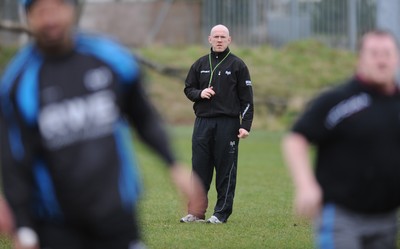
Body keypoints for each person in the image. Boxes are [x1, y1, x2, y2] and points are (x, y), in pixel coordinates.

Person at [0, 0, 205, 248]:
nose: (50, 19)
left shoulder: (109, 58)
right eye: (41, 12)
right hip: (57, 224)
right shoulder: (18, 83)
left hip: (116, 213)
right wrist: (24, 227)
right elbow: (15, 162)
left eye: (56, 8)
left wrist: (174, 165)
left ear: (72, 9)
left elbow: (143, 117)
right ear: (28, 17)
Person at [282, 29, 400, 249]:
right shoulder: (337, 100)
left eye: (387, 53)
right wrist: (306, 185)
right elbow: (296, 139)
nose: (381, 60)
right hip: (341, 216)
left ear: (397, 58)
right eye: (374, 53)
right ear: (360, 59)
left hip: (387, 219)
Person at [181, 24, 254, 224]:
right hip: (203, 123)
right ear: (209, 39)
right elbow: (188, 89)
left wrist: (245, 125)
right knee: (199, 169)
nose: (219, 40)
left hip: (228, 124)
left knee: (225, 170)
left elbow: (247, 99)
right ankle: (195, 212)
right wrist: (199, 94)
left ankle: (220, 214)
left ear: (229, 40)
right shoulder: (199, 64)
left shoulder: (238, 65)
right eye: (216, 36)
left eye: (223, 37)